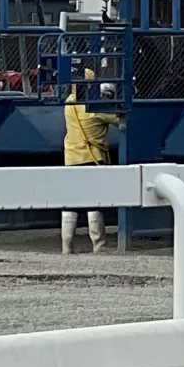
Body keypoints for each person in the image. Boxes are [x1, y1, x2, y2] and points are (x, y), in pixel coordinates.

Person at [61, 77, 119, 254]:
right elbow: (120, 119)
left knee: (70, 203)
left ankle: (66, 246)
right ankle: (98, 246)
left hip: (71, 159)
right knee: (94, 203)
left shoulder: (69, 103)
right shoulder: (96, 109)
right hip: (92, 158)